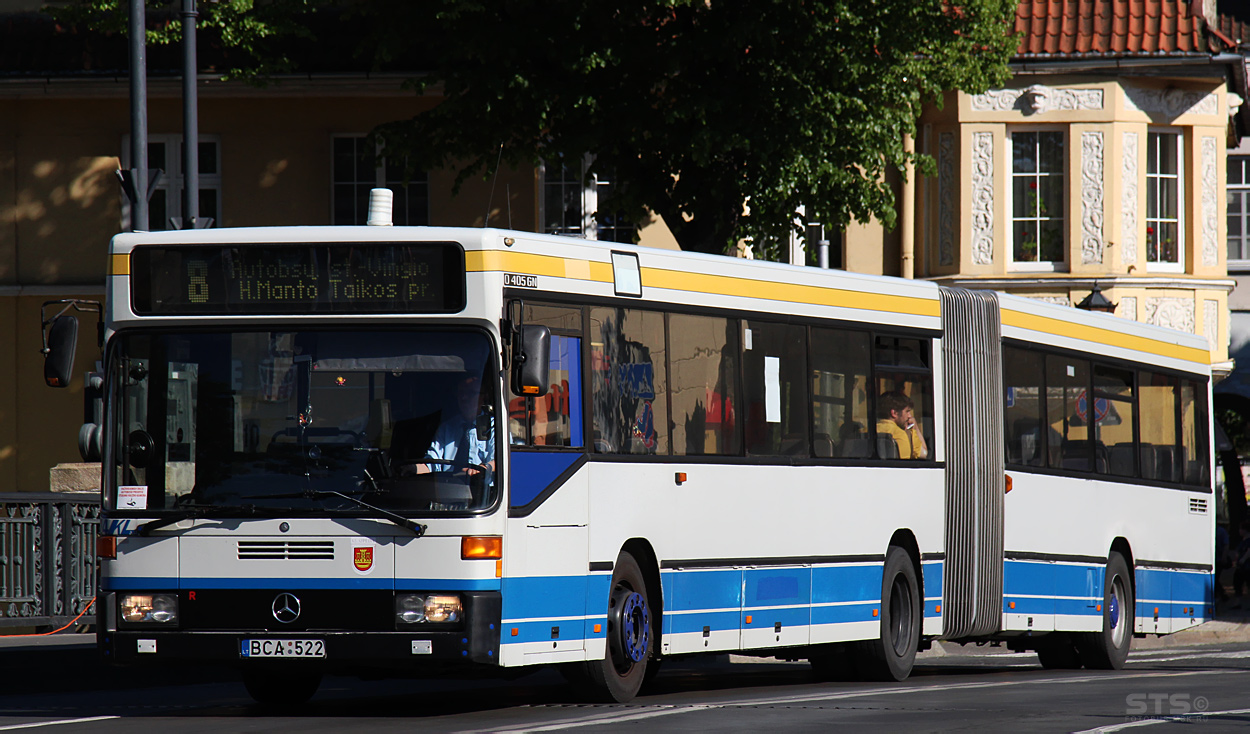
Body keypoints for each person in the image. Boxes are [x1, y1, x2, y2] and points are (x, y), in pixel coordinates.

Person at [415, 373, 495, 477]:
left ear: (484, 397)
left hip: (483, 490)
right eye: (461, 393)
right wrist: (413, 469)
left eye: (470, 393)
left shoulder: (494, 427)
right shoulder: (447, 428)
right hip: (449, 489)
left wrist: (482, 469)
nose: (464, 398)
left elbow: (501, 460)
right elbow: (432, 464)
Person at [876, 391, 928, 460]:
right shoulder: (904, 435)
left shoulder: (870, 431)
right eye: (907, 411)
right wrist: (915, 428)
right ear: (894, 413)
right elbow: (924, 453)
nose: (909, 416)